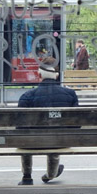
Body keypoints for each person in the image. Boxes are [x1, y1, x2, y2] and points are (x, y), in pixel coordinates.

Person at [17, 57, 79, 185]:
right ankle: (51, 174)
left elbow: (20, 126)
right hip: (61, 141)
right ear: (56, 76)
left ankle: (27, 176)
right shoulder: (70, 94)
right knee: (55, 136)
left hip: (32, 142)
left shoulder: (27, 96)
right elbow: (76, 123)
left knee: (24, 137)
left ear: (39, 74)